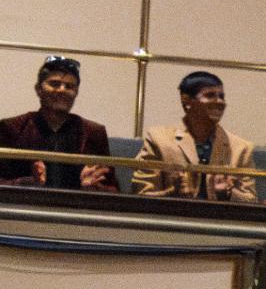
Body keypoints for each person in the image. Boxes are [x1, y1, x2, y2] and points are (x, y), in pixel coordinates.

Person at [126, 68, 252, 201]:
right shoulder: (158, 139)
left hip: (220, 220)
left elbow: (251, 201)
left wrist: (227, 194)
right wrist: (172, 192)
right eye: (210, 95)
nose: (220, 102)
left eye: (222, 96)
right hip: (171, 218)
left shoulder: (241, 147)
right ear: (186, 100)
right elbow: (140, 196)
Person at [0, 53, 117, 191]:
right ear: (38, 89)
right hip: (24, 209)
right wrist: (29, 182)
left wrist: (90, 188)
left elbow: (114, 190)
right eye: (54, 84)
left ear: (76, 92)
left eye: (69, 86)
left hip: (77, 210)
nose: (62, 90)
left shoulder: (94, 133)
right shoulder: (12, 128)